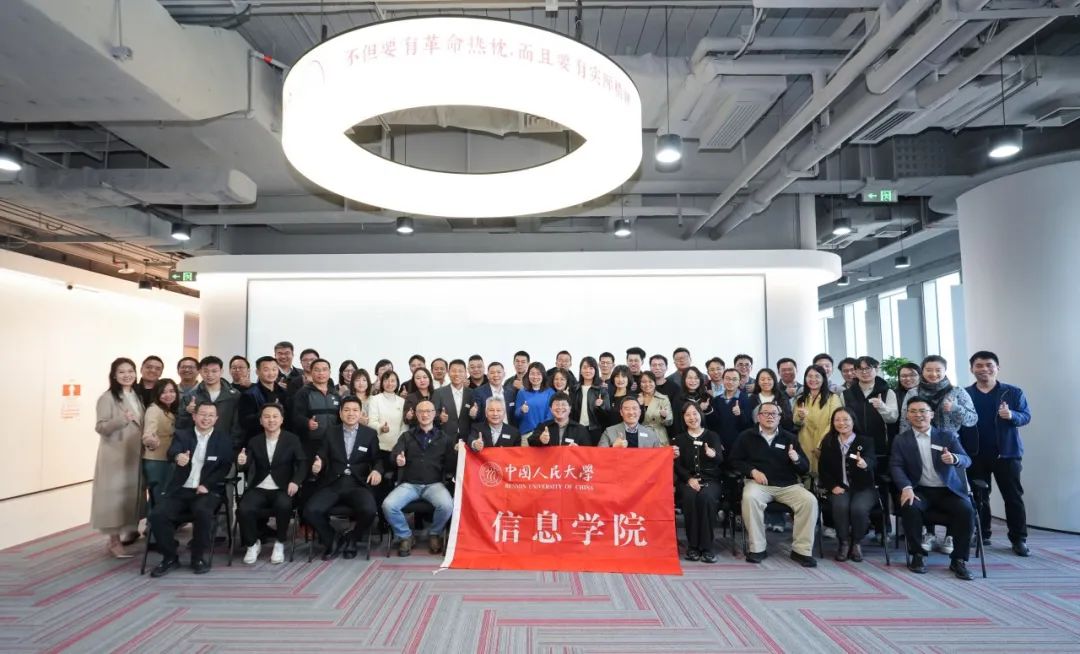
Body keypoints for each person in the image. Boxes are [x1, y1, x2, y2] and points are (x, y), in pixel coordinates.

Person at [890, 397, 976, 580]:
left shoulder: (947, 436)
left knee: (966, 510)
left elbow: (967, 460)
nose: (918, 415)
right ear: (907, 415)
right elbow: (896, 466)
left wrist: (954, 459)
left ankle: (959, 560)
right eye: (913, 411)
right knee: (909, 506)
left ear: (931, 414)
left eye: (923, 411)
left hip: (947, 491)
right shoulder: (901, 440)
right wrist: (906, 487)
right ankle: (918, 555)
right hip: (920, 490)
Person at [148, 401, 234, 577]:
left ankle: (198, 557)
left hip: (206, 490)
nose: (206, 418)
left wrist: (207, 485)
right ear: (194, 416)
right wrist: (178, 456)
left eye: (211, 415)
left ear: (216, 419)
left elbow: (224, 467)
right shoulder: (183, 435)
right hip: (181, 489)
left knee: (203, 512)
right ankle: (170, 557)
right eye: (202, 414)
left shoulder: (223, 438)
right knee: (157, 515)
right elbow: (172, 452)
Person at [729, 401, 818, 567]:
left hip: (788, 485)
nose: (770, 417)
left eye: (774, 414)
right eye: (766, 413)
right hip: (758, 485)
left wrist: (796, 459)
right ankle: (757, 548)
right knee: (750, 498)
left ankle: (801, 550)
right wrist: (752, 471)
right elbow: (734, 461)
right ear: (758, 417)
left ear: (779, 417)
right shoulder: (746, 436)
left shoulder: (790, 438)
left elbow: (804, 468)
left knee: (809, 501)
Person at [966, 351, 1032, 556]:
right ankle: (982, 533)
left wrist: (1012, 415)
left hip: (1007, 453)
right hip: (975, 454)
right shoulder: (965, 394)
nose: (984, 369)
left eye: (989, 365)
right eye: (979, 365)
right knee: (979, 496)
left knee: (1013, 497)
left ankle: (1018, 539)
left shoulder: (1012, 392)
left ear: (997, 368)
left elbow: (1026, 416)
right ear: (972, 369)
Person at [305, 396, 383, 560]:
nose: (351, 413)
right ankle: (332, 539)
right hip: (333, 483)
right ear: (340, 413)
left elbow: (378, 459)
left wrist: (377, 471)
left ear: (361, 413)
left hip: (358, 484)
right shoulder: (330, 432)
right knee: (310, 511)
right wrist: (318, 463)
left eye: (355, 410)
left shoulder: (369, 434)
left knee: (370, 510)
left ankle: (352, 538)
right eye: (346, 410)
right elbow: (322, 454)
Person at [383, 400, 457, 557]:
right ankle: (406, 536)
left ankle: (435, 533)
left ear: (434, 414)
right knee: (388, 505)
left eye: (428, 411)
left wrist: (457, 452)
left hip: (434, 485)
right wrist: (397, 459)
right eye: (421, 411)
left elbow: (451, 465)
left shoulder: (444, 438)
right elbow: (394, 455)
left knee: (447, 506)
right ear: (416, 415)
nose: (425, 414)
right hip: (409, 484)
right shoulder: (406, 436)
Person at [237, 403, 306, 565]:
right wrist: (242, 462)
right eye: (267, 417)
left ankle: (280, 543)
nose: (271, 420)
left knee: (284, 505)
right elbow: (246, 466)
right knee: (244, 508)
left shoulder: (292, 439)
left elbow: (302, 463)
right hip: (259, 486)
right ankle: (252, 544)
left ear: (282, 419)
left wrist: (296, 481)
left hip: (283, 486)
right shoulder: (254, 441)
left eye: (275, 416)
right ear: (261, 421)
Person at [92, 357, 145, 558]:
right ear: (114, 375)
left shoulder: (135, 395)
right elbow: (101, 427)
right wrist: (121, 420)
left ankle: (126, 533)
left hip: (134, 454)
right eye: (121, 372)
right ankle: (113, 541)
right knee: (112, 498)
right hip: (114, 456)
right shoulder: (107, 398)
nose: (127, 375)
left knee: (127, 496)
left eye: (130, 371)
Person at [818, 407, 877, 562]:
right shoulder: (828, 441)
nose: (841, 423)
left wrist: (865, 463)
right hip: (839, 487)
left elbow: (872, 460)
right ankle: (843, 542)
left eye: (845, 419)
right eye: (837, 420)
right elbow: (823, 469)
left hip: (863, 488)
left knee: (858, 509)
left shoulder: (865, 441)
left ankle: (856, 542)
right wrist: (832, 486)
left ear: (853, 421)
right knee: (840, 506)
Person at [673, 403, 723, 563]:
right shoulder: (678, 439)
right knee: (689, 497)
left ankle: (707, 547)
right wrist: (689, 479)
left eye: (694, 413)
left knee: (706, 498)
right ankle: (693, 546)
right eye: (687, 415)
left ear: (700, 415)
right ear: (683, 418)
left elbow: (720, 460)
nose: (692, 418)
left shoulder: (712, 436)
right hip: (687, 481)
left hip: (710, 481)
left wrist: (713, 455)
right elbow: (677, 466)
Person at [843, 356, 898, 474]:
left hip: (880, 446)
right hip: (854, 446)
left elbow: (893, 419)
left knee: (881, 478)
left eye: (868, 368)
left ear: (877, 369)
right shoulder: (846, 394)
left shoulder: (888, 392)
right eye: (860, 369)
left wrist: (882, 407)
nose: (864, 372)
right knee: (857, 476)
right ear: (855, 372)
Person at [176, 356, 243, 448]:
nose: (209, 375)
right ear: (200, 372)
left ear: (221, 371)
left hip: (225, 444)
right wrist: (187, 411)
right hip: (197, 446)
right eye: (205, 371)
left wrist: (233, 445)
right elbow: (180, 425)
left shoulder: (234, 395)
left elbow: (238, 424)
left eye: (214, 371)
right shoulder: (191, 396)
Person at [793, 365, 843, 476]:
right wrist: (800, 417)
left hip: (825, 443)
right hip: (804, 443)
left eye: (817, 376)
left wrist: (821, 444)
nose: (813, 379)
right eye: (809, 376)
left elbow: (834, 423)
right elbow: (795, 422)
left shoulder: (833, 398)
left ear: (823, 379)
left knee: (825, 475)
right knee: (805, 473)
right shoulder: (800, 399)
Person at [289, 359, 342, 462]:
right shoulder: (303, 393)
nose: (321, 373)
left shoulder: (335, 394)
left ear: (329, 372)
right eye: (317, 370)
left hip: (333, 442)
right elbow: (295, 416)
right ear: (311, 372)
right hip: (310, 444)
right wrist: (307, 422)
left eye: (324, 370)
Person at [141, 378, 179, 509]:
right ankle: (153, 522)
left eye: (172, 391)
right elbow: (148, 433)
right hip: (156, 459)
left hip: (166, 458)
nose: (168, 395)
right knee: (158, 497)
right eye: (163, 392)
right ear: (157, 394)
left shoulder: (169, 409)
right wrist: (150, 441)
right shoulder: (154, 409)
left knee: (161, 497)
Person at [238, 356, 290, 448]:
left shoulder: (284, 392)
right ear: (257, 372)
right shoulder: (249, 394)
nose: (271, 373)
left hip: (281, 441)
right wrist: (266, 413)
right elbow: (245, 422)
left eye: (274, 369)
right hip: (257, 441)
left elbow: (289, 418)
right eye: (266, 370)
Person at [706, 368, 753, 454]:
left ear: (739, 382)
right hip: (720, 446)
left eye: (734, 379)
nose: (730, 382)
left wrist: (740, 414)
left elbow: (748, 425)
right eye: (727, 379)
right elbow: (712, 425)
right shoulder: (716, 400)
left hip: (739, 446)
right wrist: (716, 442)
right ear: (723, 380)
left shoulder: (746, 399)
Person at [433, 360, 476, 440]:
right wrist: (440, 418)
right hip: (444, 437)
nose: (457, 374)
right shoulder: (438, 393)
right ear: (448, 373)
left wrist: (474, 415)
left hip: (467, 437)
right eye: (453, 371)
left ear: (465, 373)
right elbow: (433, 414)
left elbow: (475, 416)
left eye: (460, 371)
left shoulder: (472, 393)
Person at [367, 369, 407, 456]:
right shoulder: (375, 399)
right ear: (382, 383)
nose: (389, 383)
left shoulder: (402, 401)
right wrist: (381, 428)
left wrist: (399, 442)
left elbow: (404, 425)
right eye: (386, 380)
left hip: (397, 447)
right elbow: (371, 422)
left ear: (397, 383)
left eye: (392, 381)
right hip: (378, 446)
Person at [598, 396, 664, 448]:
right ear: (621, 412)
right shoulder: (609, 432)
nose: (631, 412)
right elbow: (599, 455)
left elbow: (658, 456)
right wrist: (613, 447)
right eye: (627, 409)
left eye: (634, 408)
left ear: (640, 412)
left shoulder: (651, 434)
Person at [572, 356, 609, 445]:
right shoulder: (575, 389)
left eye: (591, 368)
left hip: (595, 430)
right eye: (584, 367)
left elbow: (607, 412)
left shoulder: (601, 389)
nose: (587, 371)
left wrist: (601, 405)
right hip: (577, 428)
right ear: (580, 371)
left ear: (595, 370)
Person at [747, 368, 795, 432]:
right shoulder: (752, 399)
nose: (766, 382)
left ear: (774, 381)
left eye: (769, 379)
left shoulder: (782, 398)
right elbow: (748, 421)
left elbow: (789, 422)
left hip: (779, 434)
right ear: (758, 382)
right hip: (757, 434)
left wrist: (780, 413)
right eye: (762, 379)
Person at [514, 362, 553, 437]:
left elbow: (551, 415)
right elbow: (516, 415)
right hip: (526, 434)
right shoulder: (522, 392)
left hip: (544, 434)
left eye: (538, 374)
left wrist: (540, 430)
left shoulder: (550, 392)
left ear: (543, 375)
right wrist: (521, 410)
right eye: (532, 374)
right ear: (528, 375)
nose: (535, 377)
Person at [472, 362, 516, 427]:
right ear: (487, 376)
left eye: (499, 372)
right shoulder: (478, 392)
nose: (496, 375)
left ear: (504, 374)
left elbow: (513, 415)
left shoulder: (511, 392)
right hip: (487, 430)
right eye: (492, 373)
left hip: (508, 430)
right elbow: (476, 416)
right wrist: (473, 415)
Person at [637, 371, 673, 445]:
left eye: (650, 381)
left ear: (655, 383)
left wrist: (664, 416)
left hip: (659, 437)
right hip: (641, 436)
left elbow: (669, 422)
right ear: (640, 384)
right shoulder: (635, 398)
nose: (647, 384)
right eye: (644, 382)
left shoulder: (663, 398)